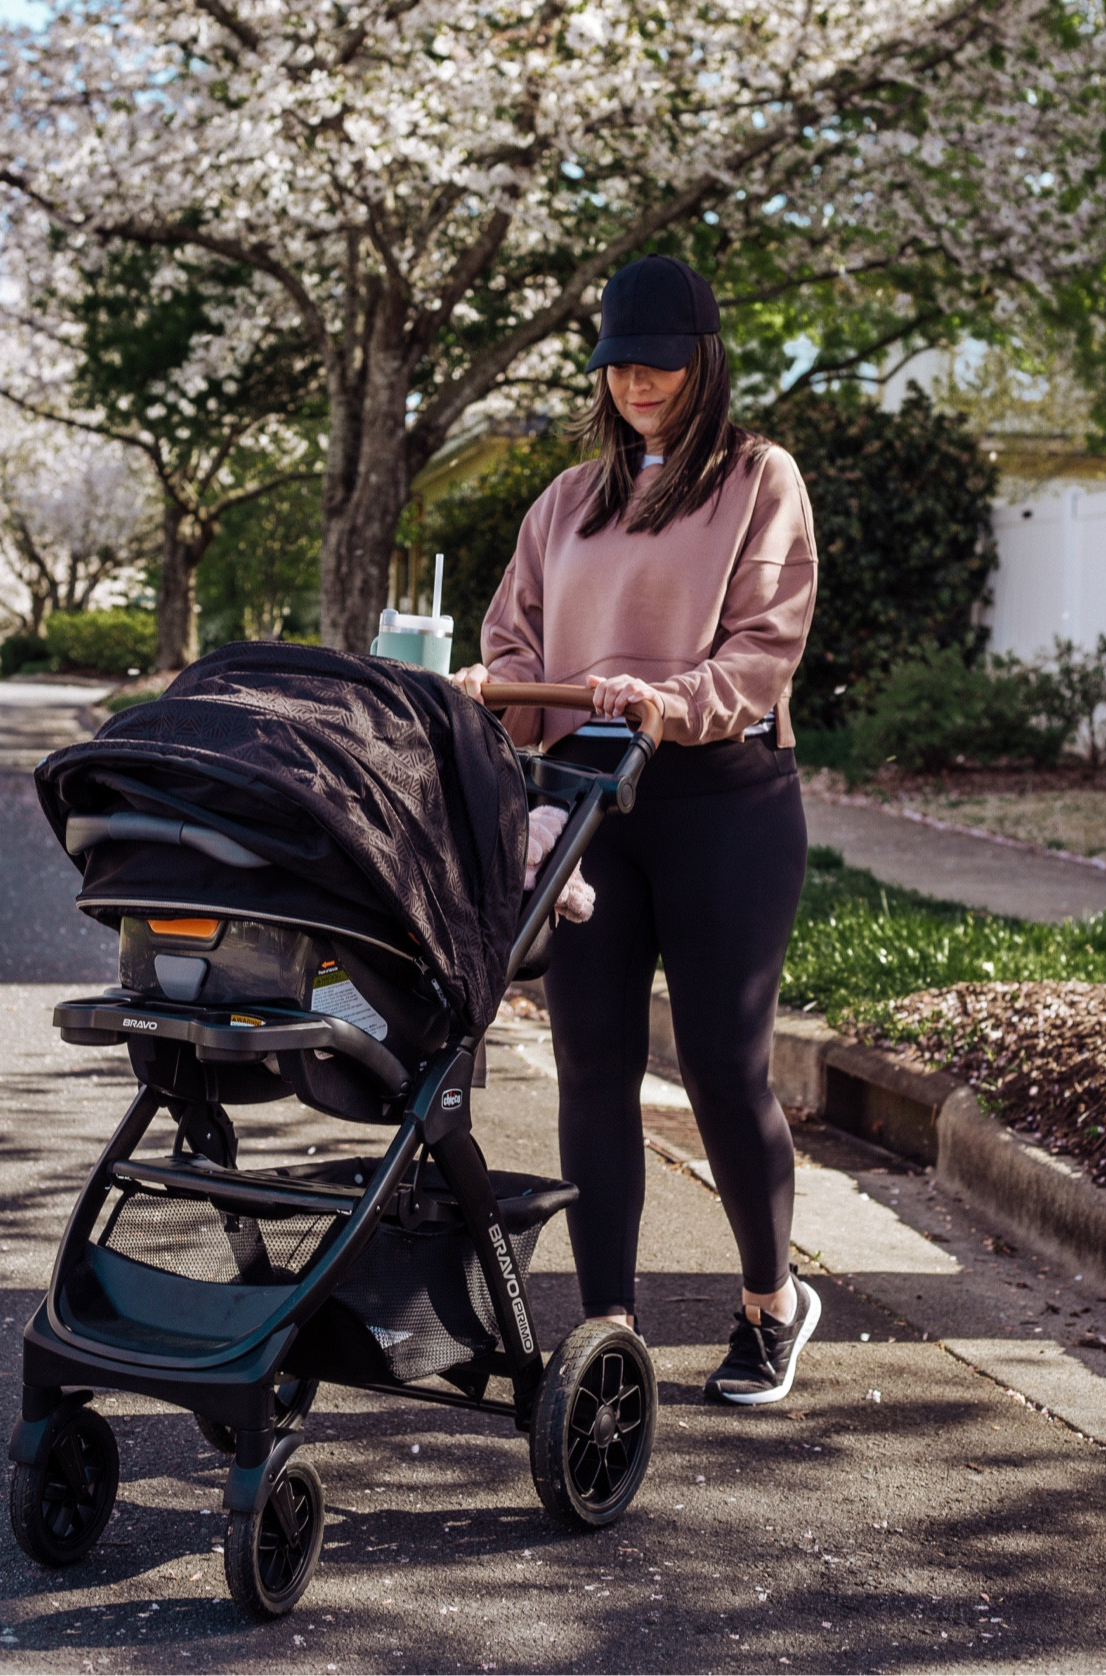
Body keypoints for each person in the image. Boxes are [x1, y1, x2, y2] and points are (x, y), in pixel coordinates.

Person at [453, 254, 819, 1404]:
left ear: (703, 358)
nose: (638, 382)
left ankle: (770, 1300)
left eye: (660, 360)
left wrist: (675, 701)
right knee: (591, 1064)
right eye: (619, 363)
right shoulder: (567, 497)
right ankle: (607, 1335)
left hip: (723, 798)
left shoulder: (759, 479)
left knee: (720, 1061)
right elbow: (514, 636)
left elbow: (765, 641)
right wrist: (497, 689)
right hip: (582, 802)